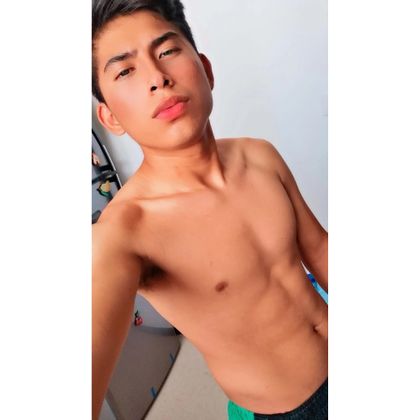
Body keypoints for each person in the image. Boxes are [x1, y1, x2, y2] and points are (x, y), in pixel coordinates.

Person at [92, 1, 328, 419]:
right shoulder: (125, 232)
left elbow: (321, 250)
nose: (157, 78)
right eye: (125, 71)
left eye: (167, 51)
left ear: (206, 69)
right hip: (293, 409)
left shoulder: (259, 156)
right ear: (110, 118)